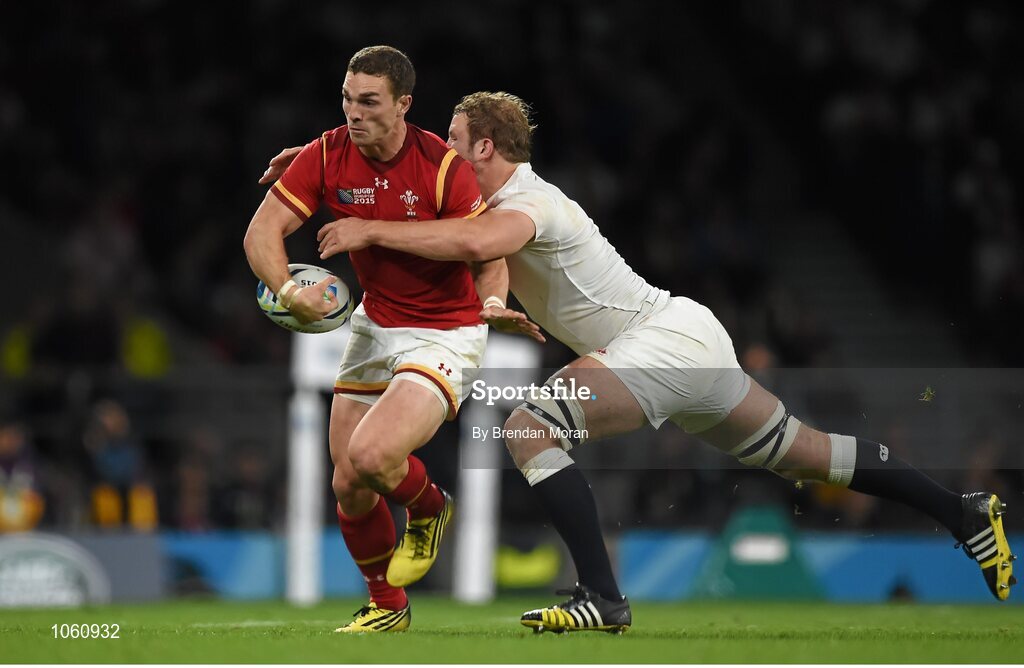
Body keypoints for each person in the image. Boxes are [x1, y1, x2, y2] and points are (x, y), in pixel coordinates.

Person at [281, 91, 1015, 633]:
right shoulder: (484, 205)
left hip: (659, 341)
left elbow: (472, 245)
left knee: (529, 428)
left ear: (483, 149)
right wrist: (317, 171)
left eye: (452, 137)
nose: (440, 147)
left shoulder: (531, 201)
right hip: (685, 335)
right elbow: (452, 234)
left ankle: (601, 595)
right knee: (806, 454)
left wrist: (364, 223)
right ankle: (961, 512)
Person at [244, 49, 519, 633]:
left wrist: (493, 303)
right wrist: (288, 292)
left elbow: (487, 256)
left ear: (403, 105)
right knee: (348, 482)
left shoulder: (443, 168)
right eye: (347, 98)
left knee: (372, 457)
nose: (353, 112)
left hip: (446, 331)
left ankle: (431, 506)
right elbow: (262, 232)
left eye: (369, 101)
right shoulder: (325, 154)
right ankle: (386, 606)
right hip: (376, 325)